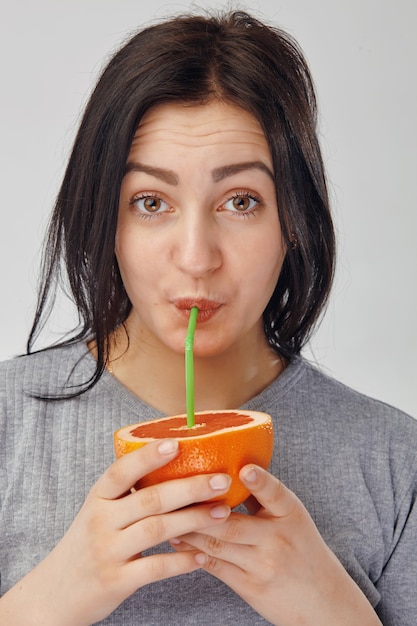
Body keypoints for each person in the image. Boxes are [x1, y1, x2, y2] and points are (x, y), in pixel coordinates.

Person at [0, 9, 416, 626]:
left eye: (241, 201)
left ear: (293, 222)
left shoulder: (392, 458)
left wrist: (335, 613)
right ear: (105, 220)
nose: (196, 258)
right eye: (151, 202)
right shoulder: (7, 424)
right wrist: (43, 604)